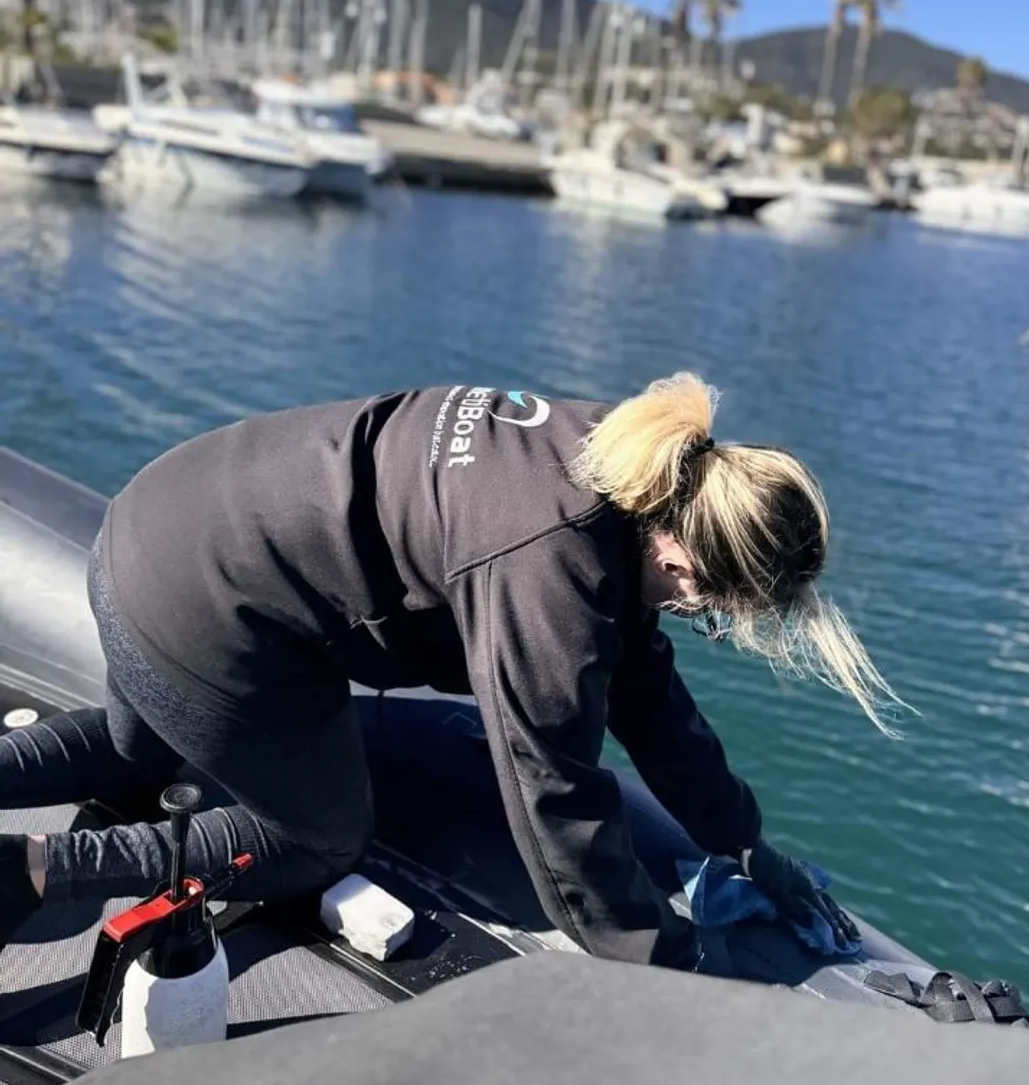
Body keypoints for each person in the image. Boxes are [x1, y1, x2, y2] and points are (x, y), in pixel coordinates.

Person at [0, 374, 897, 966]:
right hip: (214, 610)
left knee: (140, 751)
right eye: (709, 614)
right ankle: (36, 870)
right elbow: (552, 788)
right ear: (686, 567)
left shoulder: (627, 464)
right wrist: (660, 960)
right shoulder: (553, 566)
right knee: (318, 839)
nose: (692, 622)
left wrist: (744, 843)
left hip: (149, 531)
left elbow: (647, 693)